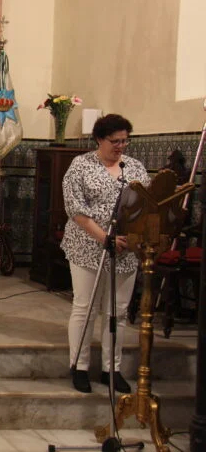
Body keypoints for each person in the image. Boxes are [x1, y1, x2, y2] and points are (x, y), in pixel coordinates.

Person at [61, 114, 149, 394]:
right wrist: (104, 237)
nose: (121, 146)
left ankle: (112, 368)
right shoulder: (81, 165)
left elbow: (146, 205)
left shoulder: (134, 167)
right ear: (99, 139)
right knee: (85, 307)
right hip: (88, 245)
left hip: (125, 250)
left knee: (118, 311)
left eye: (125, 140)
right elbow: (75, 208)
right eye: (115, 141)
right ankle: (80, 366)